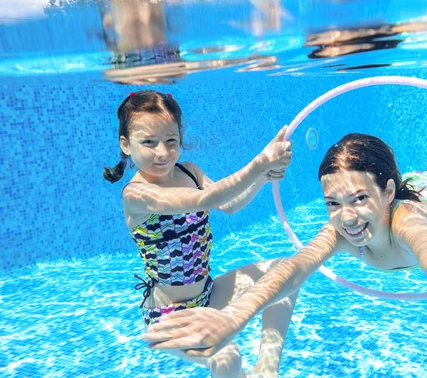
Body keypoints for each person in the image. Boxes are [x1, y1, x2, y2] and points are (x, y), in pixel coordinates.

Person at [140, 107, 427, 358]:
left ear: (389, 194)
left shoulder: (408, 222)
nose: (347, 217)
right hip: (408, 184)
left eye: (359, 199)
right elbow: (294, 268)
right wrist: (233, 316)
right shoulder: (343, 229)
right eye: (333, 203)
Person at [103, 90, 298, 378]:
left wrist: (263, 176)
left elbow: (230, 204)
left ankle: (268, 371)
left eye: (171, 141)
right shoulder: (136, 193)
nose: (162, 152)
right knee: (227, 358)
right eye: (148, 142)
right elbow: (202, 201)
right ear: (126, 145)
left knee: (287, 270)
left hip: (208, 294)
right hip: (170, 317)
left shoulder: (190, 172)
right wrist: (260, 162)